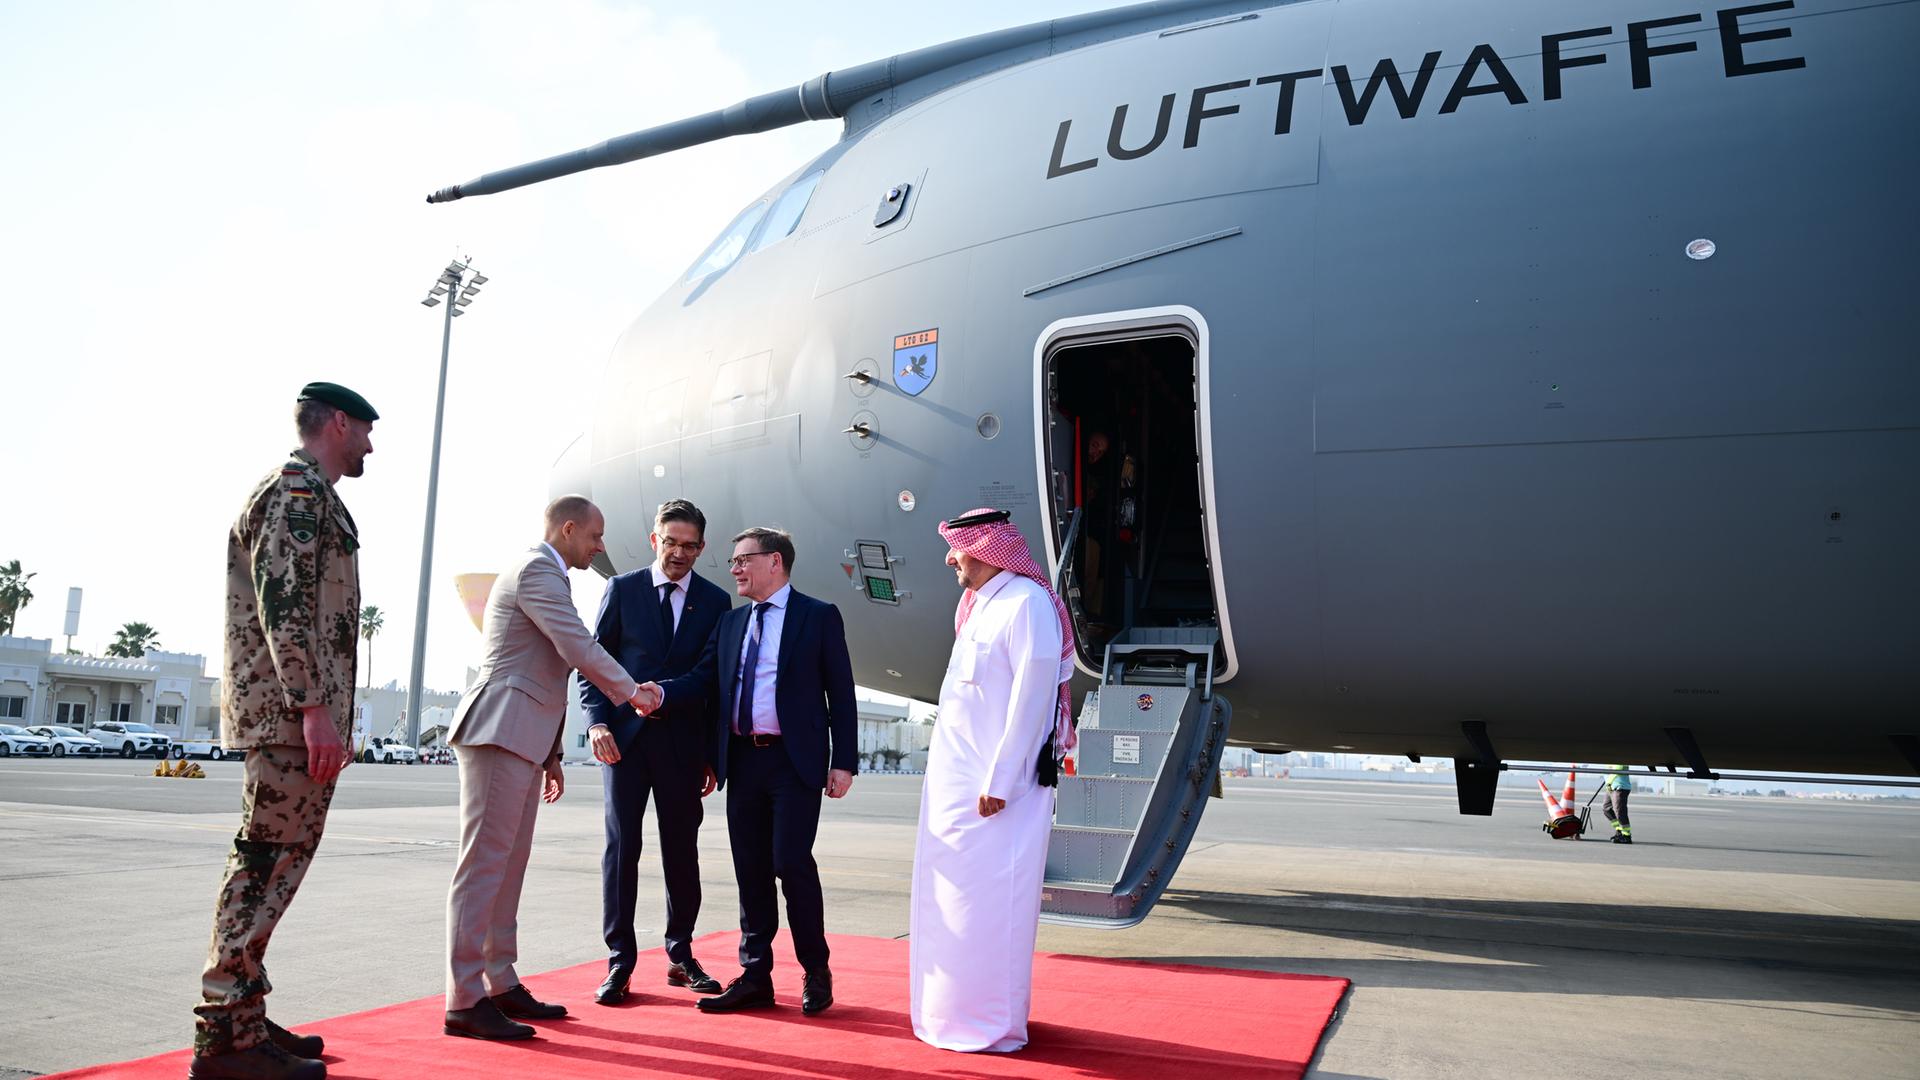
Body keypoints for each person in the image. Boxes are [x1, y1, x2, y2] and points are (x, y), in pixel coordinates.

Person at [191, 382, 377, 1080]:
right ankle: (222, 1042)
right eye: (363, 430)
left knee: (278, 869)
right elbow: (285, 604)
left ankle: (242, 1014)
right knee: (261, 867)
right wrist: (311, 707)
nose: (369, 444)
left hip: (300, 717)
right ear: (336, 423)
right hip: (288, 718)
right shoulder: (295, 491)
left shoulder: (317, 496)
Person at [442, 496, 656, 1041]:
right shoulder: (538, 568)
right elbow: (575, 646)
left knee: (507, 866)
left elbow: (548, 669)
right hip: (498, 730)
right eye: (595, 535)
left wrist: (553, 754)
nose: (601, 545)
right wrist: (632, 692)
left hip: (523, 737)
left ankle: (499, 981)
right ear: (567, 529)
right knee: (484, 866)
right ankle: (465, 998)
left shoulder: (547, 574)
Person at [641, 526, 857, 1016]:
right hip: (742, 760)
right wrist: (659, 692)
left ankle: (815, 969)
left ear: (775, 561)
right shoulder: (731, 623)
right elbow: (703, 680)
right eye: (734, 561)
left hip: (793, 761)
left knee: (790, 863)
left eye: (743, 559)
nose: (734, 568)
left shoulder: (818, 616)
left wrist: (843, 761)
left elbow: (840, 692)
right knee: (751, 870)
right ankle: (756, 975)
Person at [909, 508, 1077, 1053]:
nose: (949, 558)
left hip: (999, 795)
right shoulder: (979, 606)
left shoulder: (1027, 605)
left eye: (956, 548)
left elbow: (1034, 698)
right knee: (949, 905)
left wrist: (1002, 781)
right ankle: (947, 1015)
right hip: (957, 792)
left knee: (991, 907)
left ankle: (991, 1024)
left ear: (984, 548)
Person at [578, 499, 728, 1005]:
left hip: (684, 746)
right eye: (671, 543)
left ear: (701, 548)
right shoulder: (621, 590)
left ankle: (681, 954)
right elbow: (592, 664)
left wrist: (710, 753)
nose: (679, 553)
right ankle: (619, 962)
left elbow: (712, 679)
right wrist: (598, 722)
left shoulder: (715, 601)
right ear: (654, 541)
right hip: (623, 744)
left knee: (681, 852)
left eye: (690, 546)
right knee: (622, 851)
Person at [1603, 764, 1634, 843]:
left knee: (1619, 811)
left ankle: (1626, 835)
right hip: (1611, 787)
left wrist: (1609, 781)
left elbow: (1618, 768)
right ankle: (1619, 830)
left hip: (1620, 787)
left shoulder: (1618, 755)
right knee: (1607, 809)